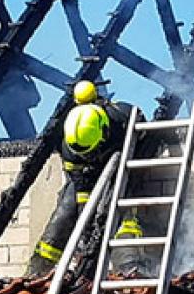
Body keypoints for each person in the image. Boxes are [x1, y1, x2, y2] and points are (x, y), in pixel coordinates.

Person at [28, 80, 144, 275]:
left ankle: (127, 267)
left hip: (124, 168)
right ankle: (38, 271)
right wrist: (86, 230)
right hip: (88, 175)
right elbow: (81, 188)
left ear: (104, 131)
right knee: (64, 213)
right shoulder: (70, 147)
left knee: (118, 213)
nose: (86, 155)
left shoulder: (122, 118)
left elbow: (147, 141)